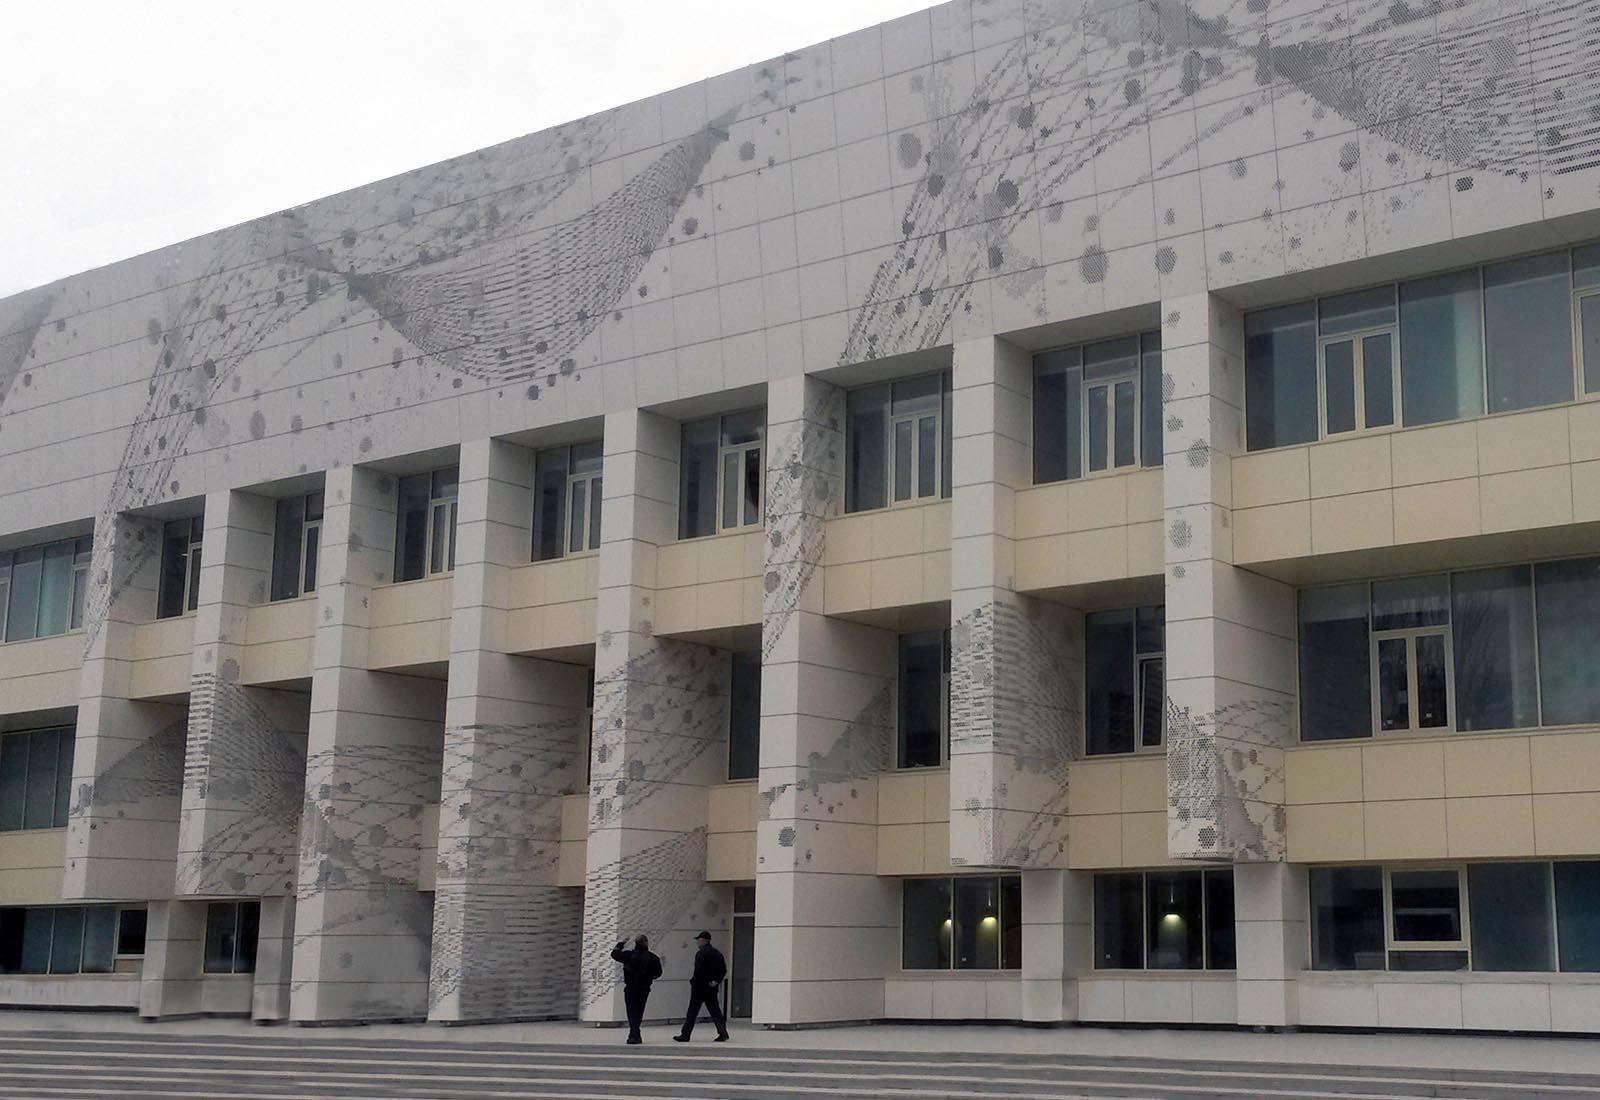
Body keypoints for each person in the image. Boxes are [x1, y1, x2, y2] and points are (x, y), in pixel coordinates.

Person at [673, 930, 729, 1042]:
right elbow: (723, 969)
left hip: (699, 987)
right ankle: (723, 1032)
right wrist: (716, 981)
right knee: (715, 1011)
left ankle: (685, 1034)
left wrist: (693, 981)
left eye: (698, 940)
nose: (697, 942)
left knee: (692, 1012)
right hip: (711, 987)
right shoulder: (717, 953)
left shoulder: (701, 953)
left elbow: (699, 970)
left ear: (703, 941)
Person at [610, 934, 662, 1044]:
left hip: (631, 987)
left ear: (636, 944)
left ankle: (634, 1034)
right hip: (644, 988)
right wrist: (649, 977)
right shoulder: (653, 957)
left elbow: (614, 954)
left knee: (631, 1011)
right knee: (639, 1010)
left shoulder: (629, 955)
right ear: (646, 943)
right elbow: (658, 973)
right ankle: (635, 1033)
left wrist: (621, 943)